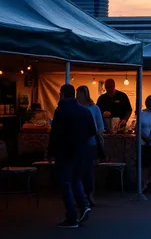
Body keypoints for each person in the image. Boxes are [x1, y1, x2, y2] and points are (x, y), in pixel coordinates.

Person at [48, 84, 96, 228]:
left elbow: (55, 133)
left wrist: (51, 151)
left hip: (64, 152)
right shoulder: (84, 111)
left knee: (65, 182)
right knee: (76, 179)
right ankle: (84, 204)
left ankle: (71, 217)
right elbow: (92, 131)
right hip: (81, 151)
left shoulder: (61, 111)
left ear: (62, 94)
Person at [75, 86, 104, 207]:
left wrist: (95, 133)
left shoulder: (94, 108)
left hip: (90, 142)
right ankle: (80, 196)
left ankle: (89, 195)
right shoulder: (76, 108)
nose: (79, 97)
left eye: (80, 94)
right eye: (78, 94)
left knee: (88, 171)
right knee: (78, 171)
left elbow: (100, 125)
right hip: (77, 143)